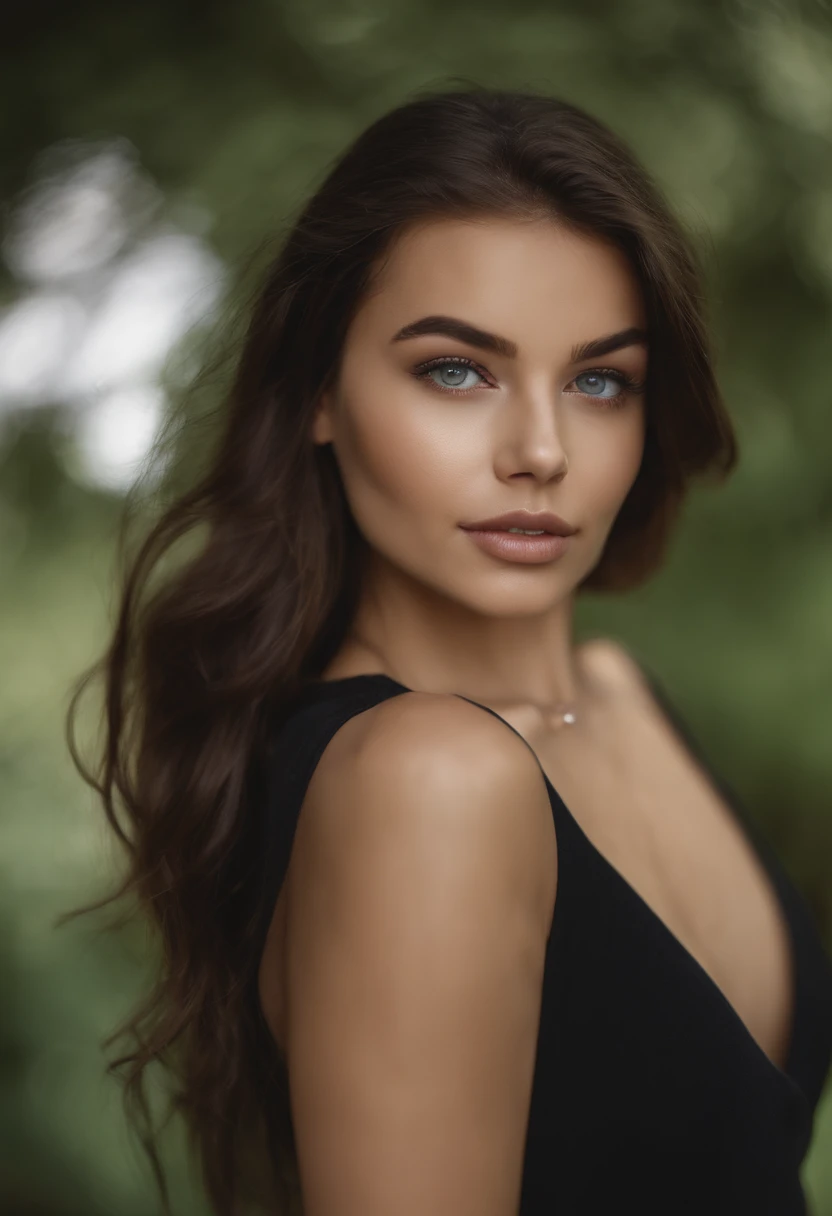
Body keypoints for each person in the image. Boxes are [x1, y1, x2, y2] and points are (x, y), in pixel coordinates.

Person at [68, 86, 832, 1216]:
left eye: (598, 380)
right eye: (455, 369)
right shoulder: (423, 781)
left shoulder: (621, 695)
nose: (539, 449)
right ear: (319, 391)